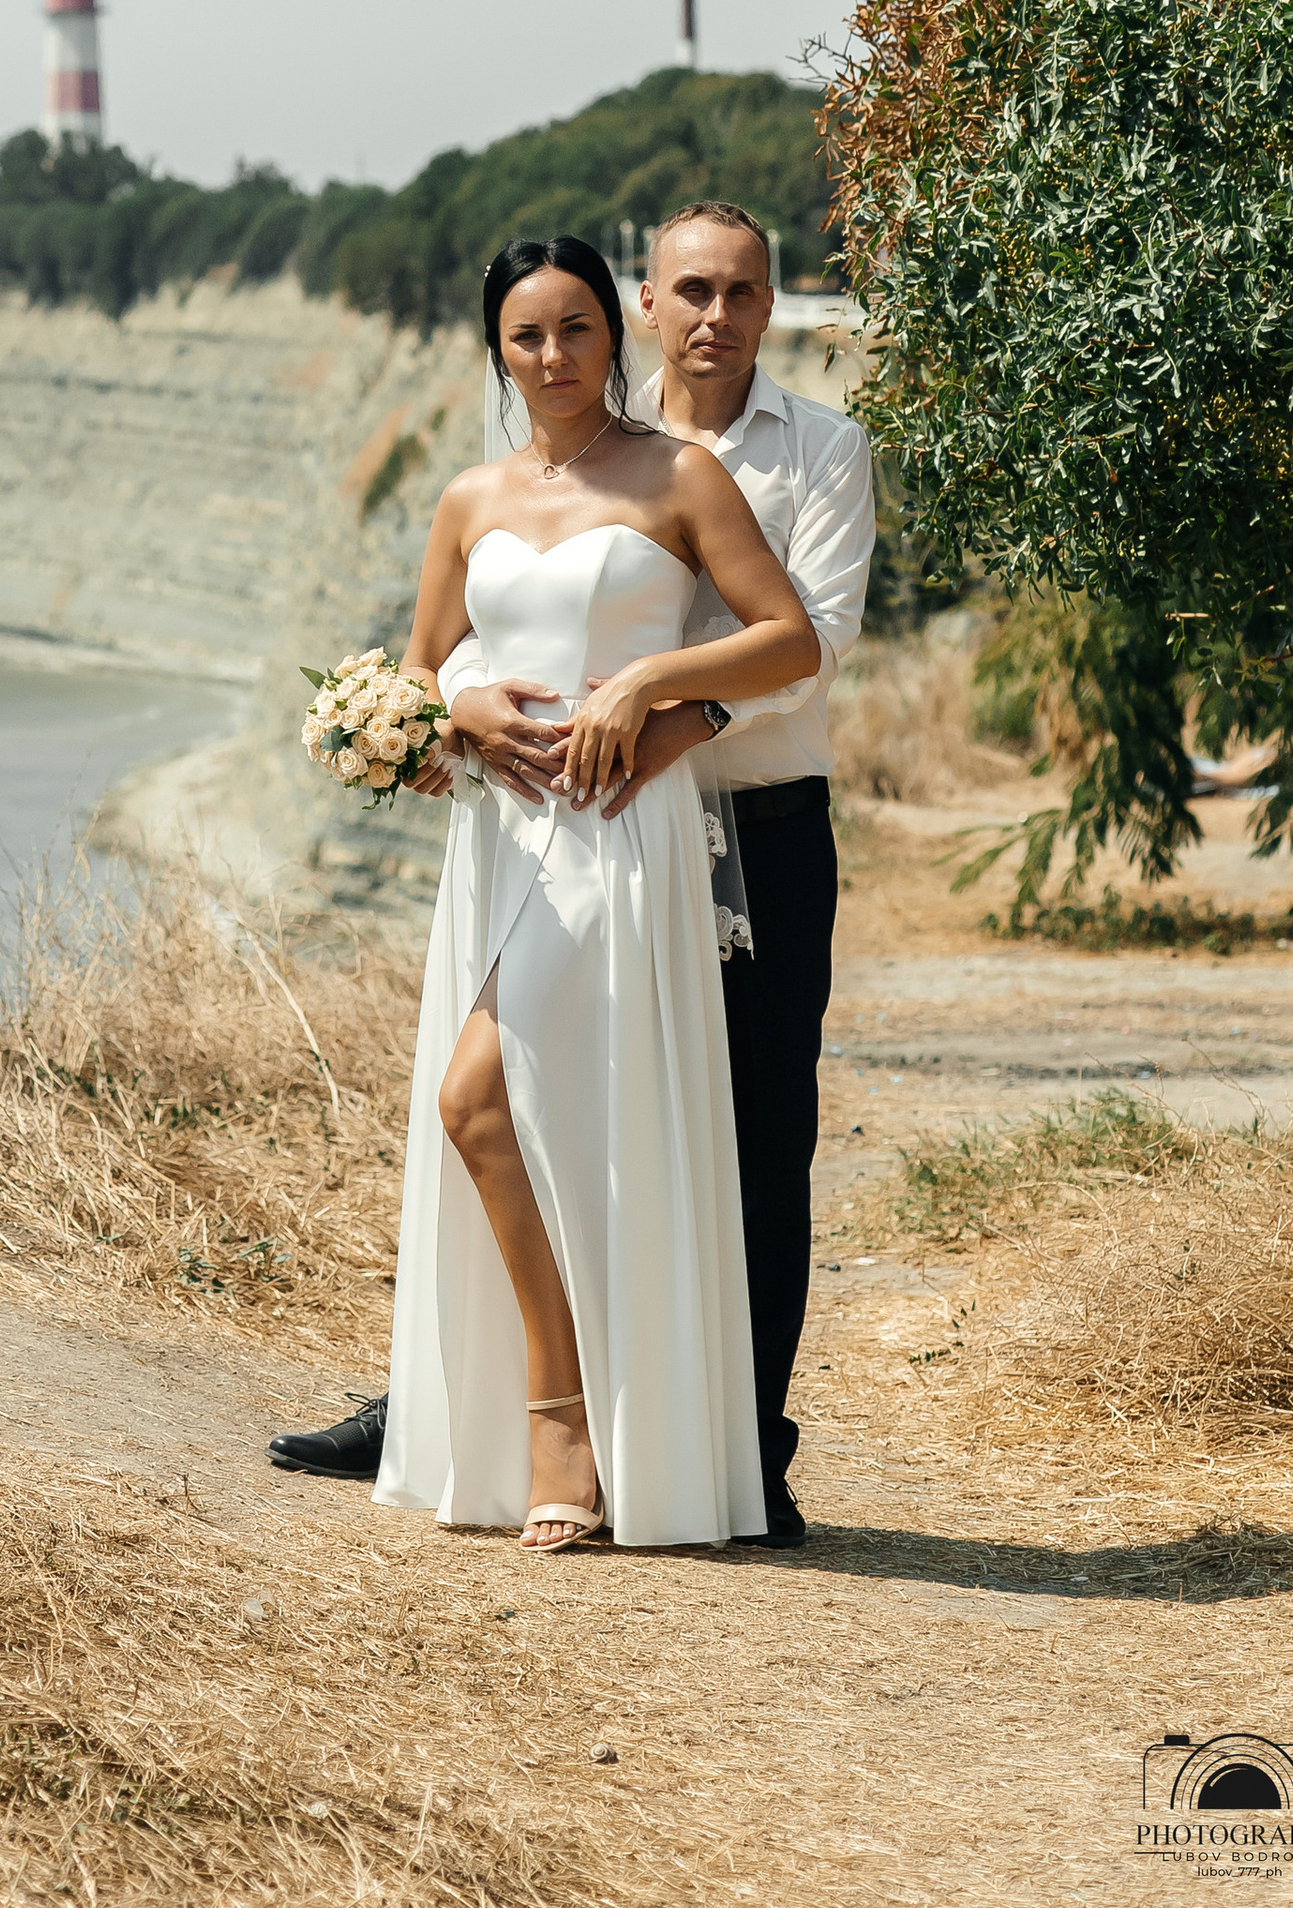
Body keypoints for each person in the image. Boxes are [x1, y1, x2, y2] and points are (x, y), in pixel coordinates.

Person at [269, 201, 872, 1548]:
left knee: (497, 1104)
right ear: (499, 353)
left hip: (629, 833)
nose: (554, 354)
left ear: (619, 330)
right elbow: (420, 670)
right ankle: (546, 1416)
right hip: (503, 838)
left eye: (576, 328)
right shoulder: (470, 498)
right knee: (535, 1115)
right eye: (526, 335)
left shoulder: (679, 477)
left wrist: (654, 680)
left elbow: (787, 640)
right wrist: (456, 725)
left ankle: (590, 1424)